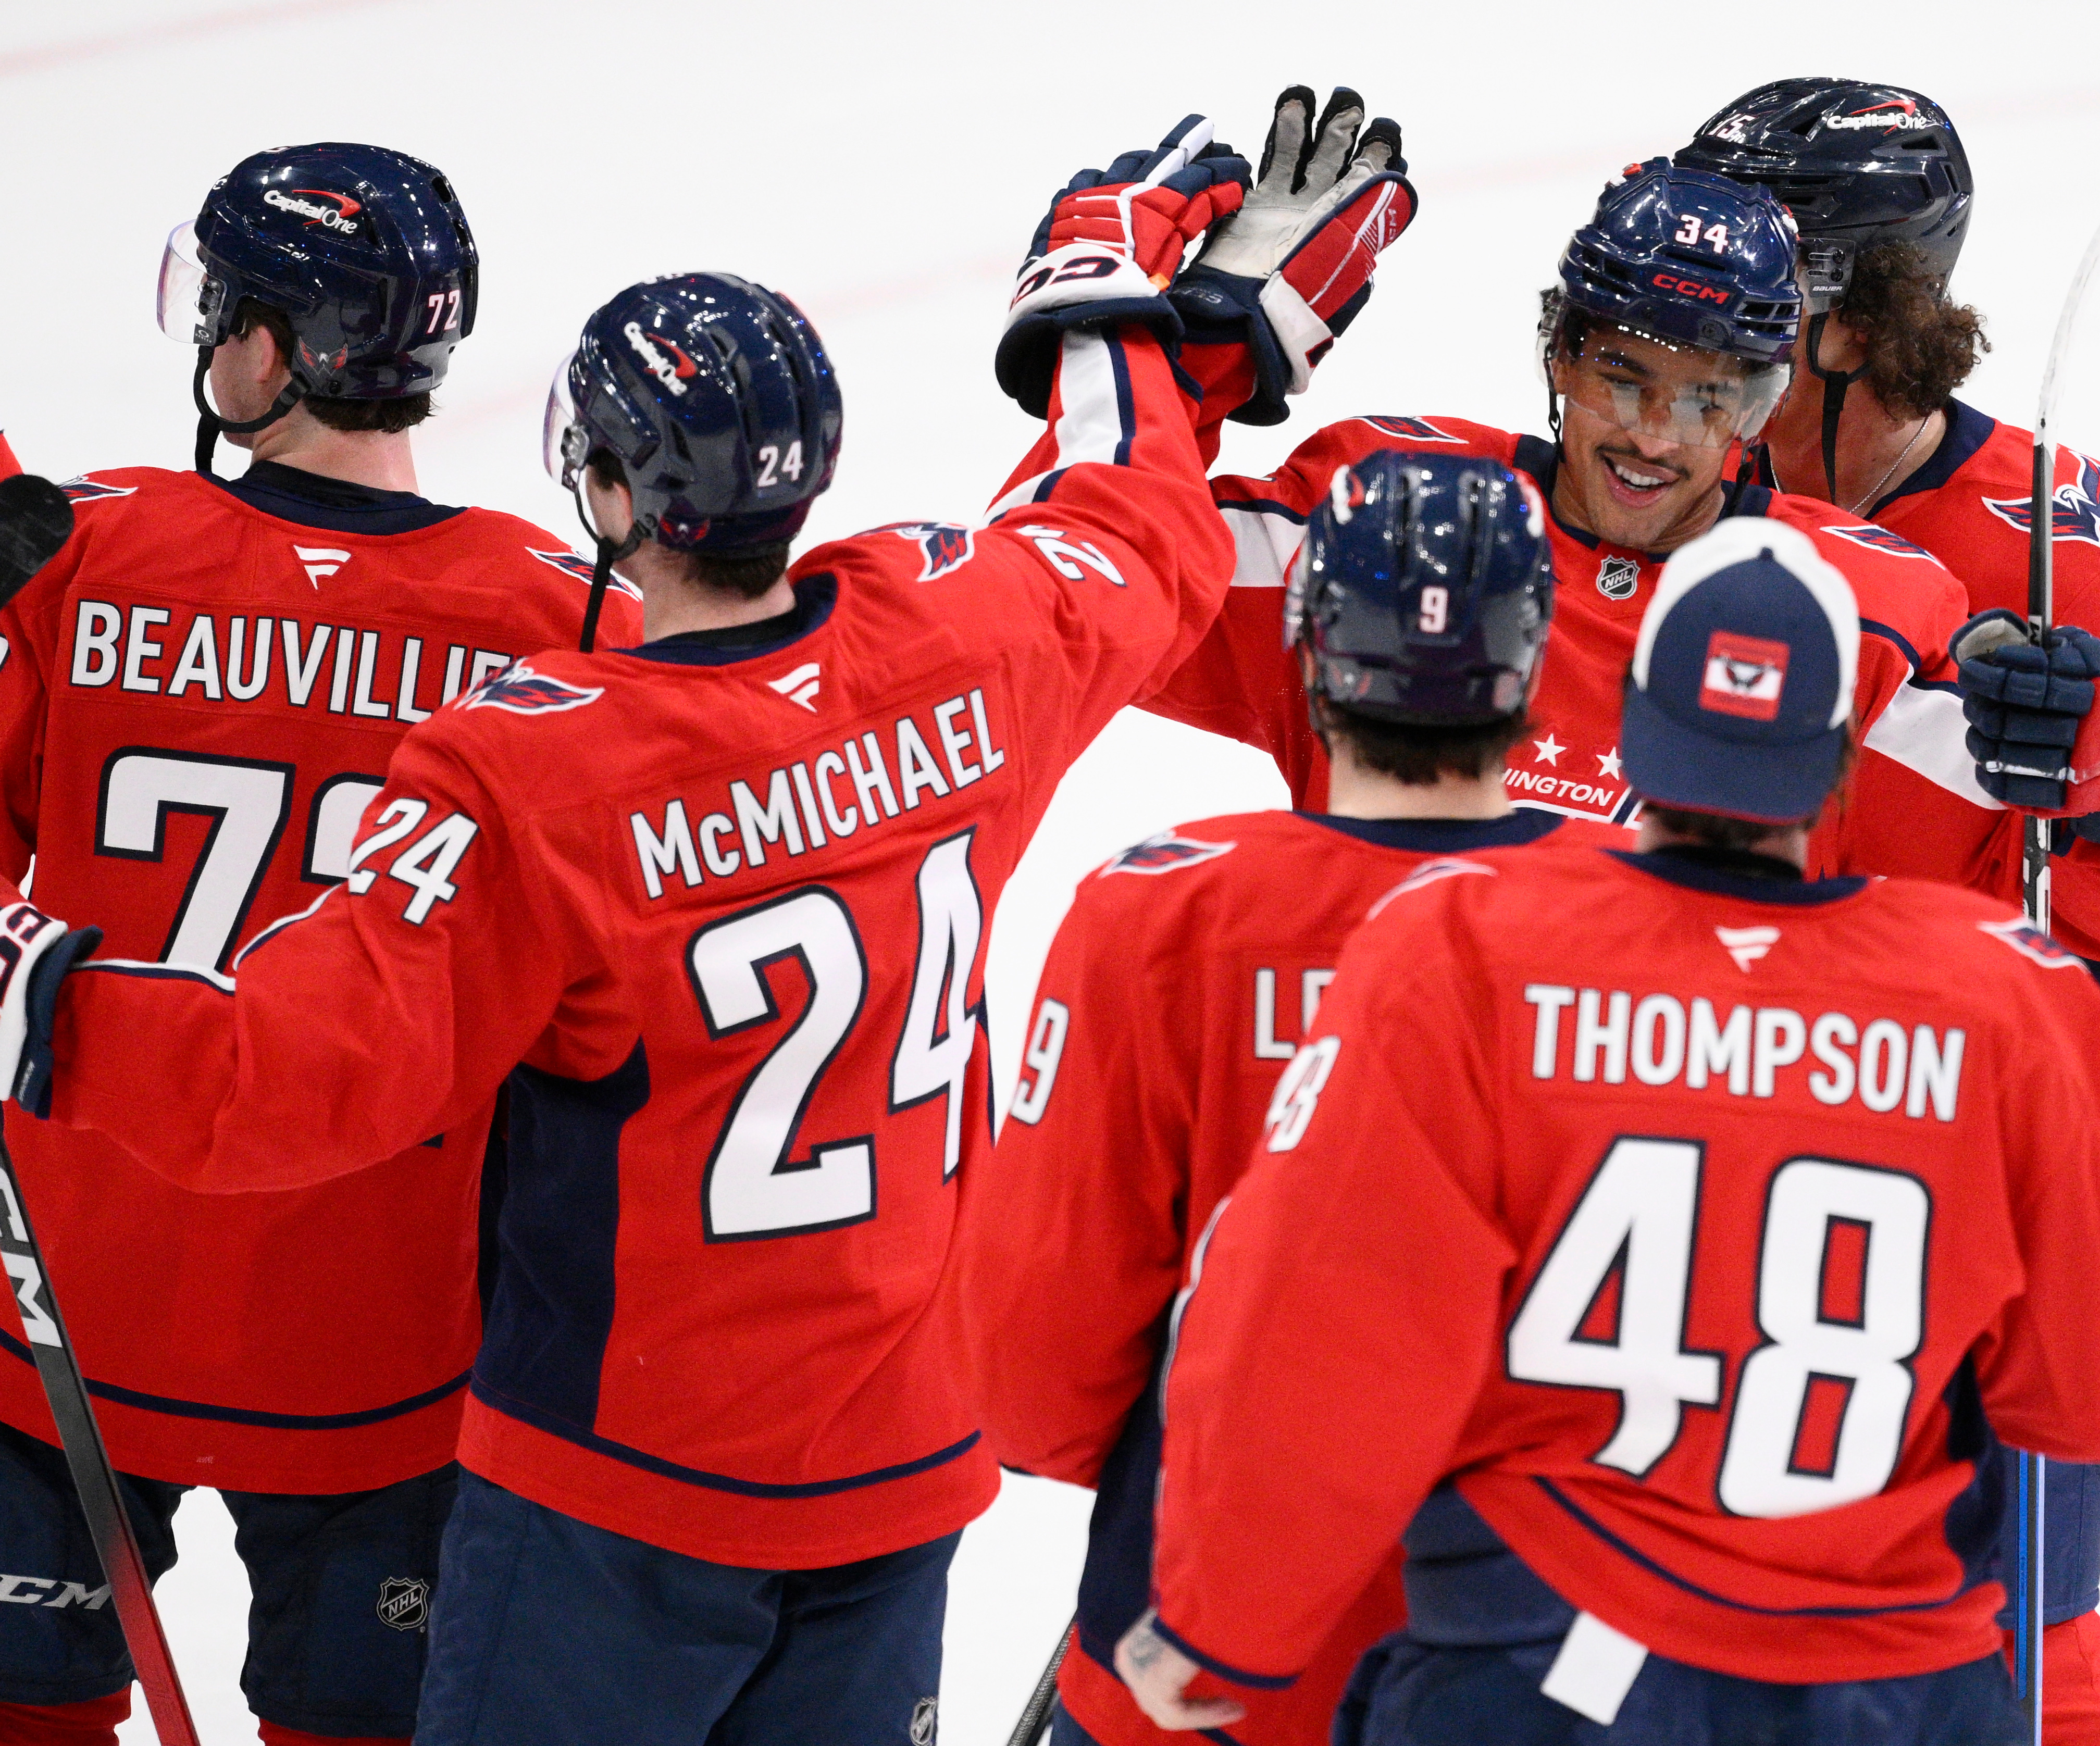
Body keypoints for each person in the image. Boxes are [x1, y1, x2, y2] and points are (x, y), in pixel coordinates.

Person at [0, 100, 1277, 1740]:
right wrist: (1157, 348)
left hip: (153, 1320)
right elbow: (1121, 531)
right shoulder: (604, 644)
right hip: (516, 1376)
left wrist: (43, 1001)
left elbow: (284, 1058)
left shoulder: (481, 735)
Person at [1115, 518, 2100, 1743]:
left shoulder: (1465, 943)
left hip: (1544, 1660)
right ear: (1844, 753)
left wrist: (1224, 1623)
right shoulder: (2012, 995)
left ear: (1630, 723)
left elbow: (1322, 1327)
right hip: (1887, 1691)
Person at [1676, 78, 2100, 1742]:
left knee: (2009, 1652)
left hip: (1954, 1209)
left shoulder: (2065, 560)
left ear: (1853, 318)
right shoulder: (1672, 483)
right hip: (1671, 1161)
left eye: (1761, 283)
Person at [0, 142, 640, 1746]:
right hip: (379, 1341)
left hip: (61, 1293)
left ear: (274, 353)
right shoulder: (553, 619)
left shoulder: (80, 549)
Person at [1138, 141, 2100, 974]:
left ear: (1764, 401)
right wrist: (1186, 380)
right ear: (1560, 353)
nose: (1657, 436)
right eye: (1623, 375)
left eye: (1713, 395)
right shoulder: (1395, 513)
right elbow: (1084, 599)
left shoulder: (1856, 612)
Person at [960, 450, 1626, 1746]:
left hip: (1199, 1652)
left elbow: (1031, 1374)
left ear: (1312, 647)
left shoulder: (1161, 909)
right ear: (1536, 662)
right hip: (1543, 1657)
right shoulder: (1654, 926)